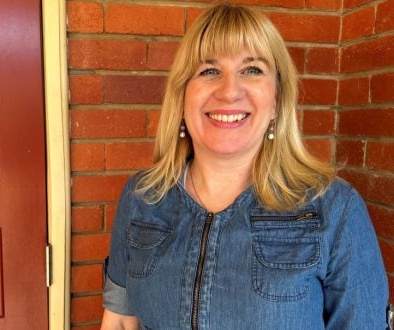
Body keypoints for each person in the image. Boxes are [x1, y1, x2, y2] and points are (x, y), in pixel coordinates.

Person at [100, 3, 389, 330]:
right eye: (209, 70)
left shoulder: (334, 209)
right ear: (182, 97)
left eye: (252, 70)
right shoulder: (143, 197)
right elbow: (122, 320)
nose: (229, 91)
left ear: (277, 100)